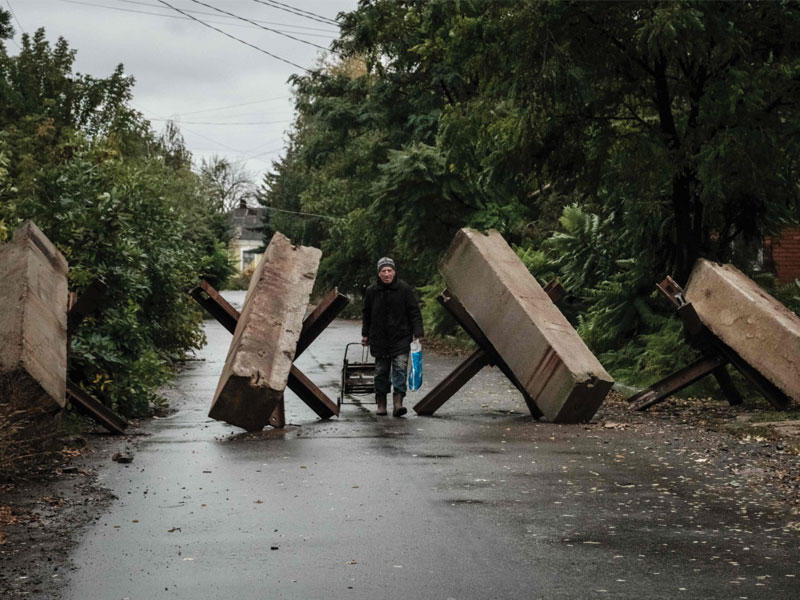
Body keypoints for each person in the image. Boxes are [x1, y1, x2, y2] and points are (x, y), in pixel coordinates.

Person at [361, 257, 424, 417]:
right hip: (379, 339)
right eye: (384, 271)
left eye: (390, 270)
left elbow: (414, 311)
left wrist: (418, 332)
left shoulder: (404, 289)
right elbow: (366, 314)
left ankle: (398, 404)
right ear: (379, 273)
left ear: (394, 272)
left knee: (400, 369)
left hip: (400, 338)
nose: (387, 274)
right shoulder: (372, 291)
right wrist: (365, 334)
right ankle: (381, 404)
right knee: (381, 371)